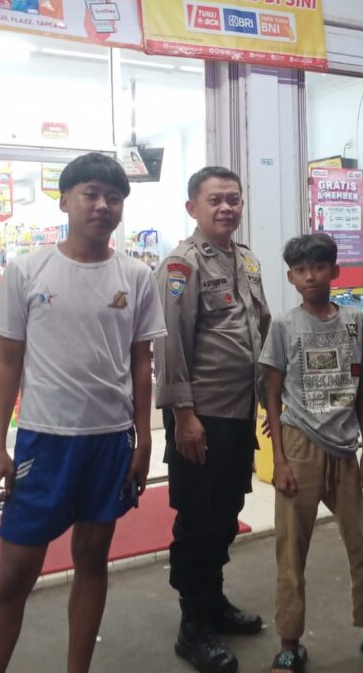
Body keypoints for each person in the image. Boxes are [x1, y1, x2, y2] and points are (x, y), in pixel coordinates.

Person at [0, 153, 166, 673]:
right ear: (64, 201)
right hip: (44, 441)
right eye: (91, 194)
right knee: (14, 575)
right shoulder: (26, 270)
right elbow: (7, 361)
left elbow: (142, 364)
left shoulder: (137, 276)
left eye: (114, 197)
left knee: (93, 559)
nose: (103, 205)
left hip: (110, 442)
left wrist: (144, 438)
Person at [261, 233, 363, 673]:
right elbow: (272, 393)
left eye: (318, 267)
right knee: (291, 550)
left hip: (344, 449)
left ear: (334, 271)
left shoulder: (354, 321)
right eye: (300, 270)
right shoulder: (284, 326)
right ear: (291, 277)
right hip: (299, 445)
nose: (310, 276)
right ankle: (289, 642)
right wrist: (279, 460)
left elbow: (357, 386)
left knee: (362, 546)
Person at [154, 166, 271, 673]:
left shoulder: (246, 260)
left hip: (239, 411)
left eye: (234, 199)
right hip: (201, 416)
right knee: (199, 519)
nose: (227, 208)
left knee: (226, 511)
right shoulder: (181, 265)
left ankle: (213, 601)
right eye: (215, 200)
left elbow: (260, 328)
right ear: (192, 208)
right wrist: (184, 416)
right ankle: (193, 624)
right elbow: (169, 344)